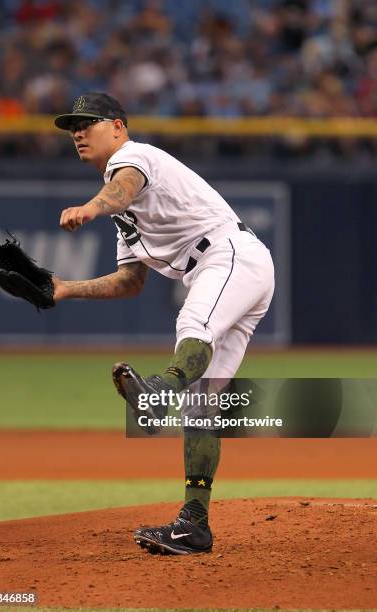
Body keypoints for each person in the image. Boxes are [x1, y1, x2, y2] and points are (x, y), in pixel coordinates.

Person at [54, 92, 275, 555]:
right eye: (72, 125)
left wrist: (92, 208)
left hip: (229, 254)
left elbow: (122, 188)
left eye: (87, 122)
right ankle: (194, 525)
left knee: (192, 320)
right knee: (202, 406)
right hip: (226, 269)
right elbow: (130, 281)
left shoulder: (135, 157)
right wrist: (65, 288)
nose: (77, 131)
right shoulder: (124, 220)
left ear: (117, 126)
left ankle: (159, 391)